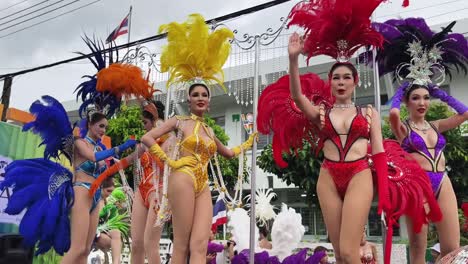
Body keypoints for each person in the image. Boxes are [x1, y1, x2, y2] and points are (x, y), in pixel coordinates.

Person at [257, 2, 441, 264]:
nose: (341, 82)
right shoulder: (322, 112)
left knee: (348, 250)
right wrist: (293, 59)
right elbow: (297, 96)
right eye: (336, 78)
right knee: (339, 251)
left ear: (355, 82)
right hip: (328, 176)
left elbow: (377, 151)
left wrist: (386, 195)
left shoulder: (368, 113)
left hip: (359, 175)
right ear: (330, 82)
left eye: (346, 77)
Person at [141, 14, 257, 264]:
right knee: (181, 244)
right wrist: (171, 163)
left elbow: (226, 153)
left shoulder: (211, 130)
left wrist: (248, 143)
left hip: (203, 183)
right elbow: (147, 137)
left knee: (200, 243)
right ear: (189, 100)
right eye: (196, 95)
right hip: (181, 178)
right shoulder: (178, 121)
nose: (201, 98)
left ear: (209, 100)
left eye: (205, 94)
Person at [373, 17, 468, 261]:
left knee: (451, 247)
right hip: (418, 185)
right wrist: (402, 90)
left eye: (426, 97)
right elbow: (393, 112)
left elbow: (465, 113)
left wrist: (438, 92)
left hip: (442, 180)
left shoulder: (435, 125)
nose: (422, 102)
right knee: (418, 245)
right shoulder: (402, 128)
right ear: (408, 101)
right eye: (416, 98)